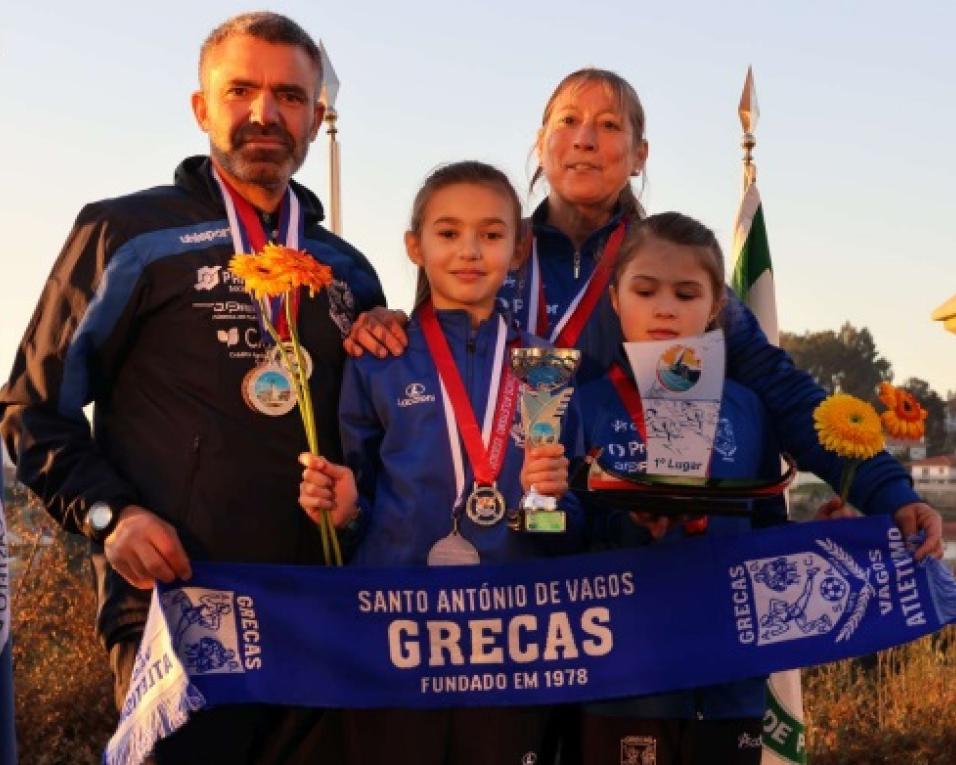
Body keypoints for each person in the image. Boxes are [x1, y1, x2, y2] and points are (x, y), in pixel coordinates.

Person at [345, 66, 943, 558]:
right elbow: (436, 356)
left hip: (626, 543)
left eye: (609, 126)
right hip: (503, 542)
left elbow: (777, 386)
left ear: (639, 155)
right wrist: (387, 319)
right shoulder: (494, 249)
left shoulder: (665, 268)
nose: (584, 139)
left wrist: (885, 488)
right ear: (540, 142)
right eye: (568, 122)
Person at [0, 12, 385, 763]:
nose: (265, 113)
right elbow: (29, 411)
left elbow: (376, 435)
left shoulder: (349, 269)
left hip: (320, 611)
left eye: (290, 96)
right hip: (178, 606)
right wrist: (114, 518)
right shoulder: (126, 235)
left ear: (315, 116)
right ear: (202, 107)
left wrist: (359, 495)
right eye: (240, 89)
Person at [298, 161, 581, 764]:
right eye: (449, 233)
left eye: (491, 233)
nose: (470, 251)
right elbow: (361, 503)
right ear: (414, 246)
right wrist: (347, 511)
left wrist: (552, 503)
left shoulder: (546, 367)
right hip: (397, 633)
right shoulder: (380, 355)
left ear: (519, 246)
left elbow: (561, 531)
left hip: (511, 641)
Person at [577, 212, 788, 765]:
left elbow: (767, 528)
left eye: (686, 292)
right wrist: (627, 524)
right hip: (625, 681)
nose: (665, 307)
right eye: (645, 290)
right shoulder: (584, 404)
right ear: (617, 300)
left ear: (716, 303)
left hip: (728, 679)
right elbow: (562, 534)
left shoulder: (746, 407)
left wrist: (826, 532)